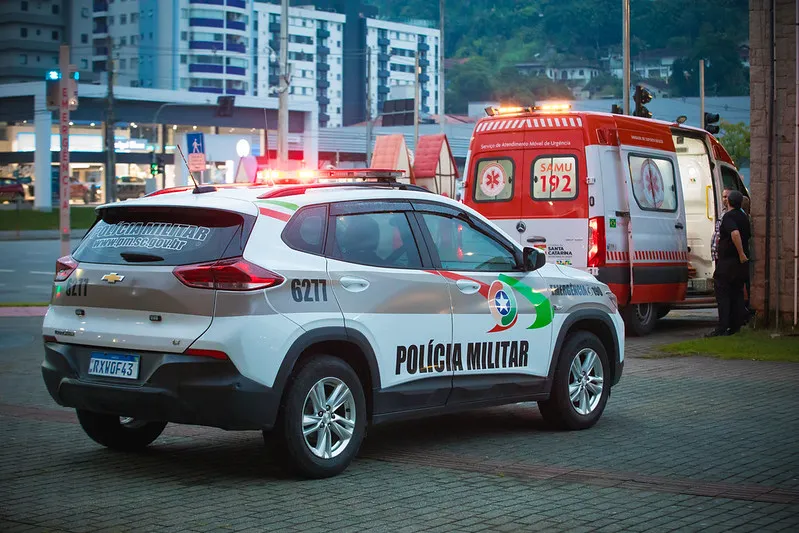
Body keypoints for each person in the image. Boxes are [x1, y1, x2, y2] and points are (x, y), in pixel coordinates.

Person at [707, 190, 751, 337]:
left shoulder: (729, 216)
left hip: (728, 262)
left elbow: (735, 233)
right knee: (737, 293)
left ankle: (722, 327)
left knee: (723, 294)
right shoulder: (744, 217)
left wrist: (740, 253)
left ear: (729, 202)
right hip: (740, 265)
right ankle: (735, 326)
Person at [741, 195, 755, 316]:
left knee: (745, 280)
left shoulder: (743, 219)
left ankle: (746, 305)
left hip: (745, 252)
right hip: (749, 251)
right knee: (748, 280)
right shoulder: (749, 218)